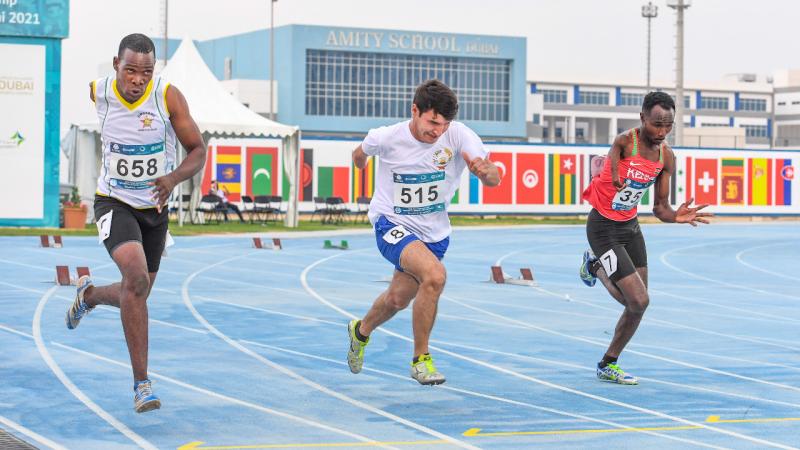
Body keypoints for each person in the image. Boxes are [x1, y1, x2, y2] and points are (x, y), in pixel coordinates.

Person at [65, 33, 206, 413]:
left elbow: (198, 150)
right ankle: (142, 385)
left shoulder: (168, 97)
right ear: (116, 65)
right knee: (137, 278)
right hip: (113, 201)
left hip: (155, 207)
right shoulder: (98, 91)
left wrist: (173, 179)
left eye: (145, 72)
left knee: (137, 290)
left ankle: (89, 295)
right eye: (130, 71)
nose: (137, 80)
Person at [347, 80, 500, 385]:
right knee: (435, 276)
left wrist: (487, 173)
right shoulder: (387, 137)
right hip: (391, 223)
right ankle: (421, 360)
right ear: (414, 110)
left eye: (444, 124)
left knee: (396, 300)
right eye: (432, 122)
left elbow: (491, 173)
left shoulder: (458, 134)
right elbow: (359, 153)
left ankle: (360, 331)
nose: (437, 131)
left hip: (434, 234)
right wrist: (361, 162)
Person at [579, 91, 712, 385]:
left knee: (638, 304)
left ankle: (607, 362)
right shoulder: (627, 141)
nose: (662, 132)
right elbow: (613, 162)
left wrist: (677, 216)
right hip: (602, 227)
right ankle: (595, 268)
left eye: (668, 125)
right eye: (656, 124)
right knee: (638, 300)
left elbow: (660, 208)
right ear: (642, 119)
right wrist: (614, 176)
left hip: (630, 229)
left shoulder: (667, 156)